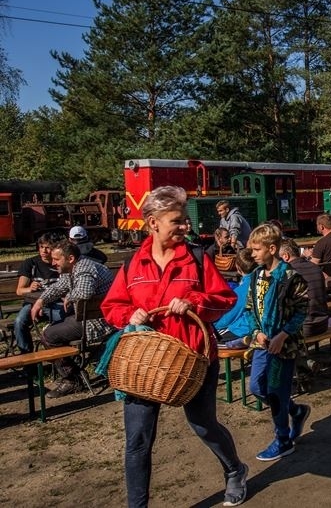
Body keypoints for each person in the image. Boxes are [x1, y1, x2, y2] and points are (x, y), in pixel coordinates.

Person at [101, 186, 248, 508]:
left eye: (184, 221)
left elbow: (226, 299)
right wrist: (129, 313)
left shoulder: (196, 259)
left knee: (203, 424)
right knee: (137, 440)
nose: (185, 227)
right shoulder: (132, 265)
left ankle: (235, 469)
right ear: (153, 223)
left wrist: (194, 302)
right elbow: (111, 307)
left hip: (192, 359)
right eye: (177, 221)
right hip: (143, 364)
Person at [244, 224, 311, 463]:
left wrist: (283, 334)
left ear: (271, 249)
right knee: (256, 387)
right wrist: (255, 331)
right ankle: (296, 410)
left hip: (284, 345)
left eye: (256, 249)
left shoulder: (290, 277)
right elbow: (250, 308)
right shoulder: (255, 277)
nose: (252, 254)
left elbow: (303, 309)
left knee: (276, 391)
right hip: (263, 343)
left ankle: (283, 439)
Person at [32, 240, 115, 398]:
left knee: (48, 336)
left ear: (70, 258)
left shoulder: (85, 267)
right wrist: (40, 300)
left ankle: (72, 379)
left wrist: (70, 296)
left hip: (97, 322)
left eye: (57, 259)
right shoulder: (71, 268)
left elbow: (85, 291)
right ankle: (74, 371)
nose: (53, 263)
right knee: (52, 329)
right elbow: (59, 286)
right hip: (90, 318)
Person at [13, 232, 67, 354]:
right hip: (32, 303)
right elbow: (19, 290)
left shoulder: (59, 263)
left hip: (56, 303)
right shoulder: (30, 264)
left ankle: (60, 356)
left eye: (48, 247)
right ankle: (27, 357)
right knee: (19, 322)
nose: (44, 251)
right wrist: (30, 288)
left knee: (62, 322)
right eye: (41, 247)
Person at [279, 238, 328, 338]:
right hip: (323, 323)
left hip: (303, 328)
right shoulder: (315, 268)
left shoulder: (287, 273)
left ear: (285, 256)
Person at [215, 248, 259, 346]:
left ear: (238, 267)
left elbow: (227, 318)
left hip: (244, 328)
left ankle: (238, 342)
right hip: (256, 327)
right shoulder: (261, 281)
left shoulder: (242, 290)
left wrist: (214, 325)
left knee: (212, 339)